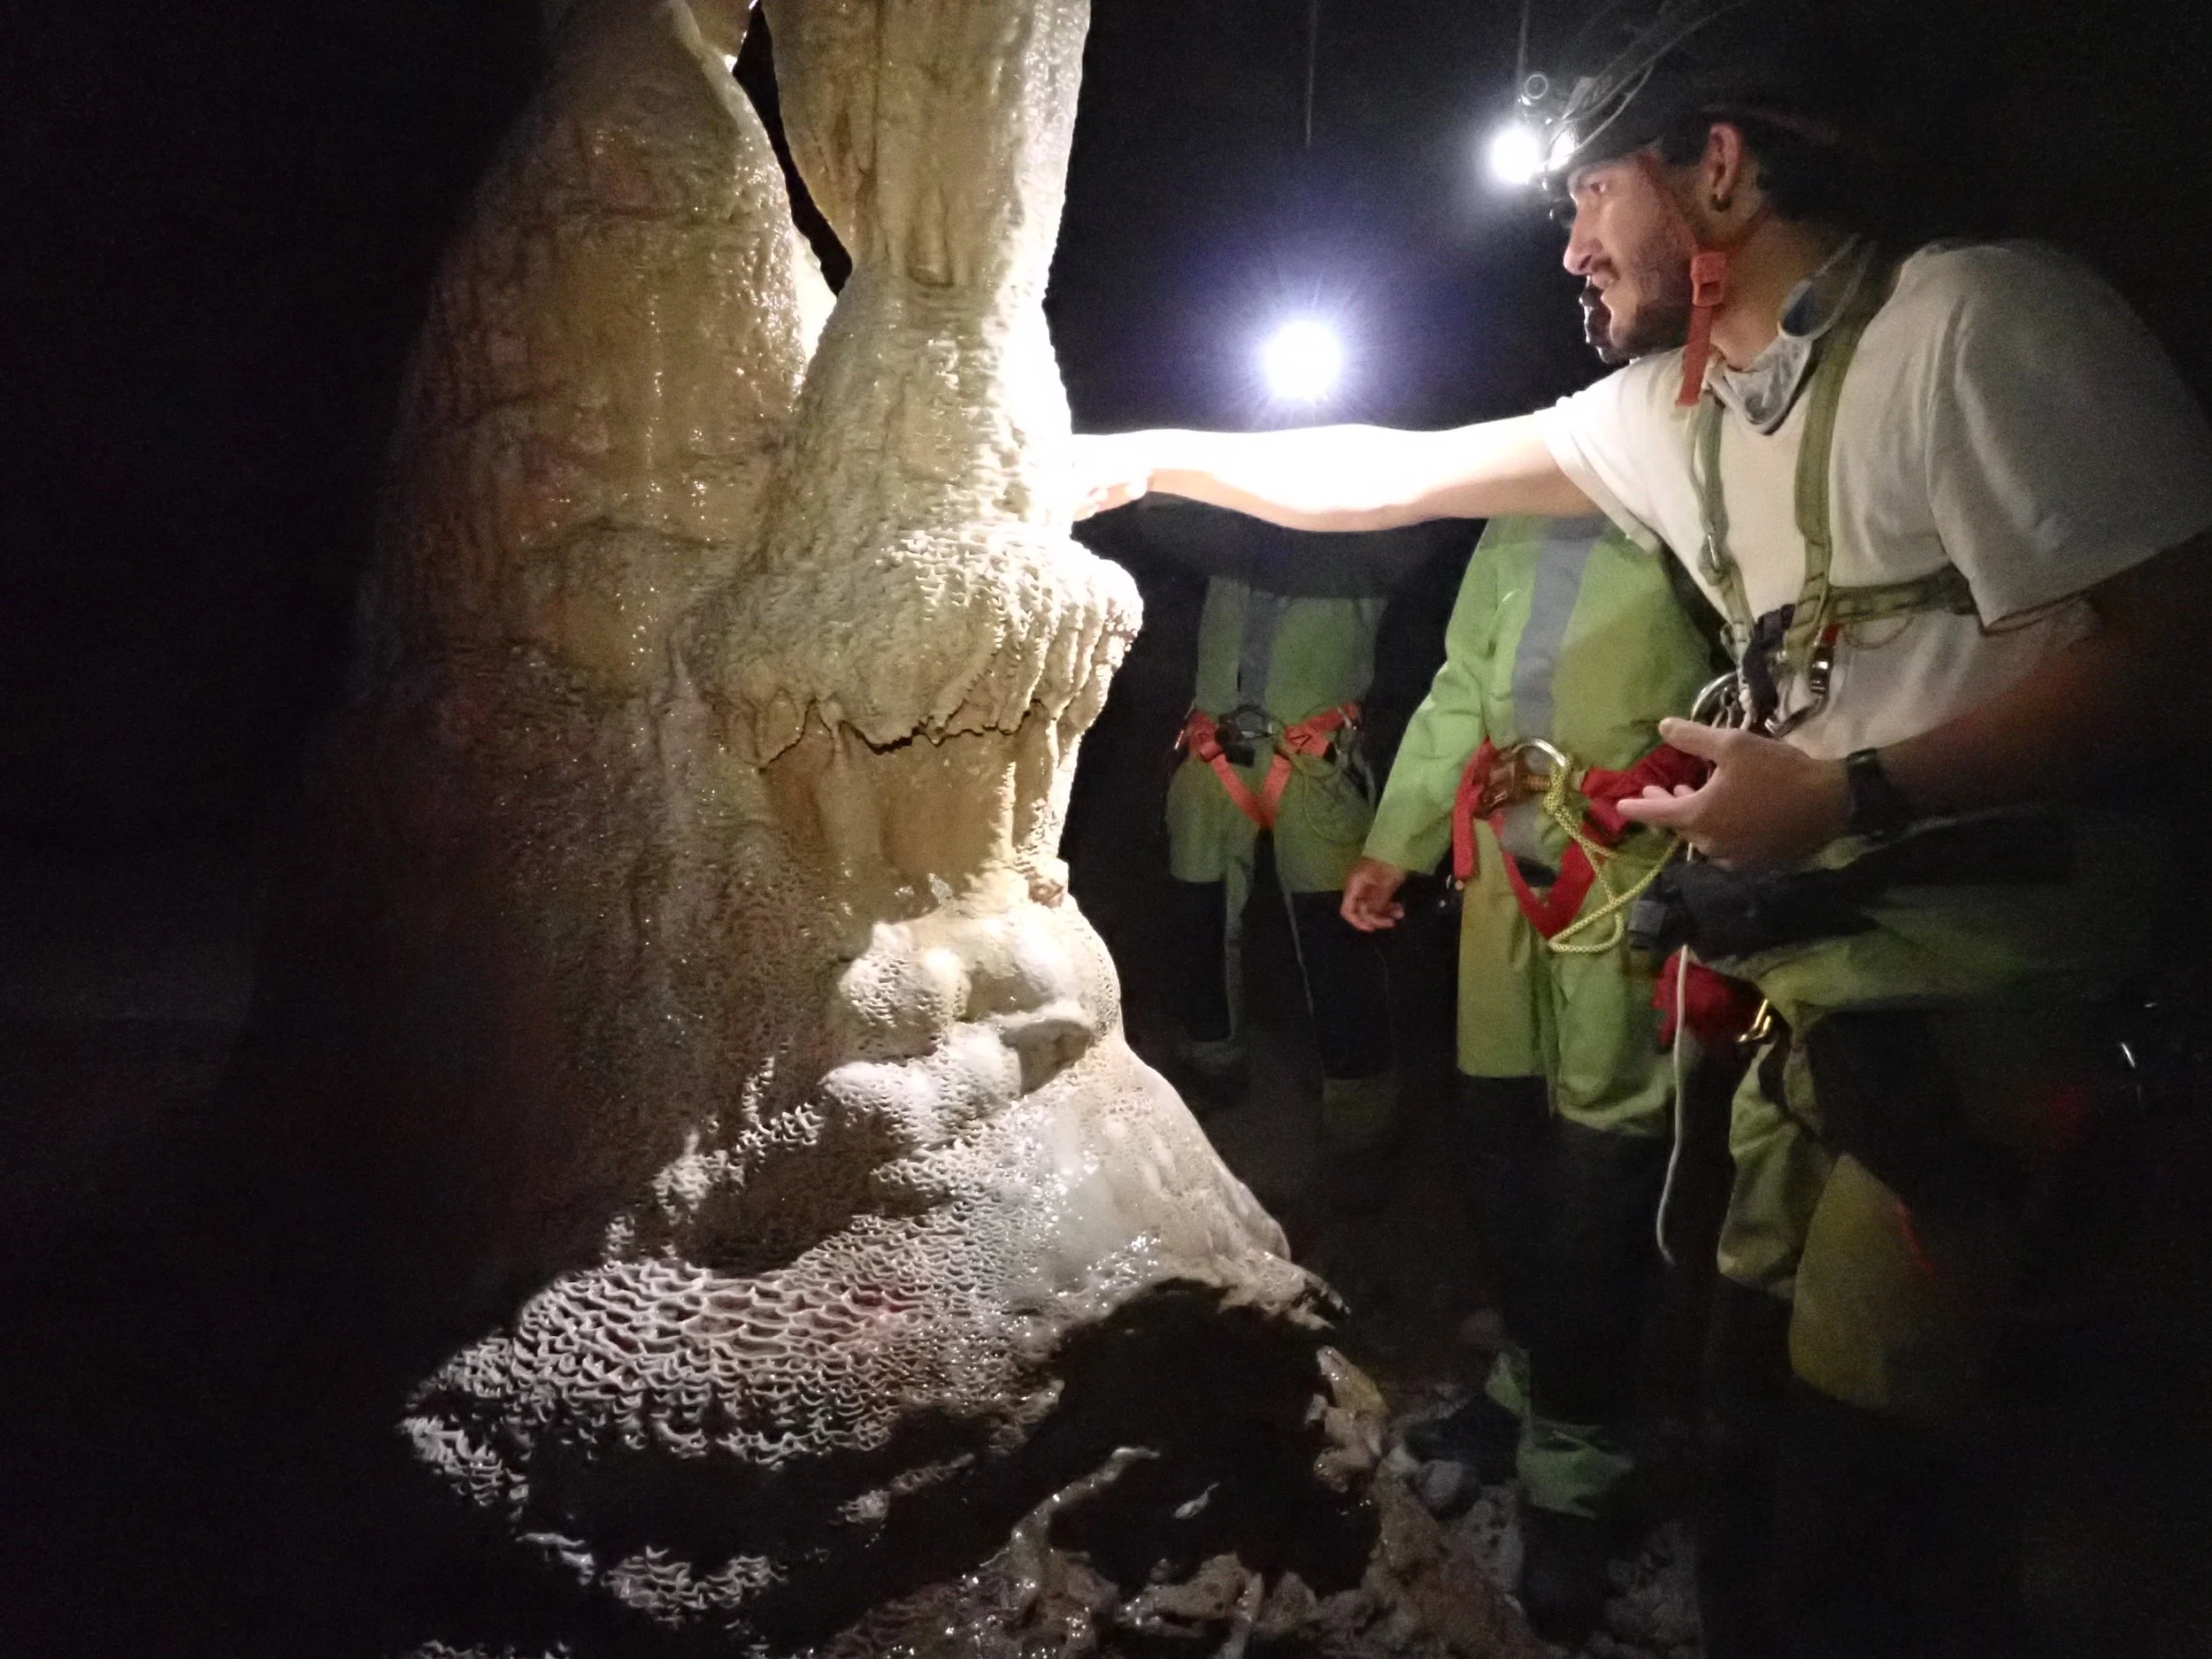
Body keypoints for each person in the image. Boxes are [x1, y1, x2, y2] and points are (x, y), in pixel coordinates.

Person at [1070, 4, 2212, 1652]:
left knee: (1881, 1450)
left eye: (1590, 199)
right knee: (1754, 1399)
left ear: (1719, 172)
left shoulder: (1973, 324)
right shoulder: (1688, 414)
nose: (1570, 249)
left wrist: (1850, 791)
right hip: (1817, 986)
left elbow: (2179, 643)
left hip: (1991, 997)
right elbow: (1396, 475)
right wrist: (1144, 456)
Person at [1345, 509, 1721, 1635]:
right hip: (1504, 862)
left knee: (1605, 1171)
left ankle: (1577, 1472)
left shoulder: (1691, 495)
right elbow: (1465, 678)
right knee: (1500, 1137)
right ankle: (1526, 1377)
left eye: (1605, 310)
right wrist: (1396, 838)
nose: (1596, 317)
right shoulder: (1524, 509)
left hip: (1631, 867)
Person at [1123, 496, 1440, 1171]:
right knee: (1198, 914)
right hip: (1214, 750)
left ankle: (1362, 1121)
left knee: (1339, 940)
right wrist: (1245, 490)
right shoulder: (1230, 520)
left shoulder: (1373, 526)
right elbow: (1160, 516)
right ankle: (1211, 1065)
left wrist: (1328, 507)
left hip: (1315, 759)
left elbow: (1415, 544)